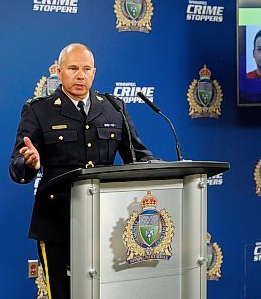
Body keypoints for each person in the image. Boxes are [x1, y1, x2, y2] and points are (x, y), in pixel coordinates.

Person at [9, 43, 155, 299]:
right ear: (58, 71)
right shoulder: (38, 111)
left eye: (86, 69)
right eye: (73, 68)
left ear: (94, 72)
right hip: (57, 224)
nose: (80, 75)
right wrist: (29, 163)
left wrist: (156, 168)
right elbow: (16, 168)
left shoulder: (113, 107)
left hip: (107, 223)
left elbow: (139, 157)